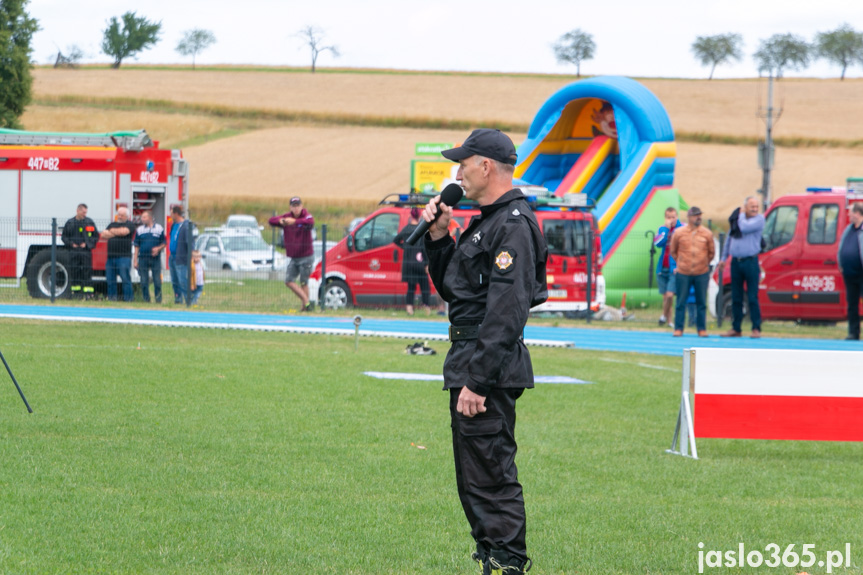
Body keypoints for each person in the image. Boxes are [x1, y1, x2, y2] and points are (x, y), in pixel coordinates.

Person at [423, 129, 547, 575]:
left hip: (485, 367)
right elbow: (459, 293)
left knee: (491, 476)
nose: (457, 173)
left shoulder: (513, 223)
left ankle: (509, 562)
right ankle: (493, 558)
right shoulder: (489, 221)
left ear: (485, 167)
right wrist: (438, 237)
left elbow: (506, 311)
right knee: (475, 478)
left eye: (463, 163)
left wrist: (478, 380)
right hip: (470, 356)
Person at [719, 196, 765, 338]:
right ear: (746, 207)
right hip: (736, 263)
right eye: (752, 206)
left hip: (750, 262)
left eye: (756, 206)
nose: (755, 209)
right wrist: (723, 258)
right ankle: (736, 328)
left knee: (752, 296)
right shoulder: (737, 221)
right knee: (736, 296)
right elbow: (729, 239)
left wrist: (738, 216)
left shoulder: (758, 220)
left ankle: (756, 328)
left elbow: (744, 228)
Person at [669, 206, 714, 337]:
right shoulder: (679, 233)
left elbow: (711, 252)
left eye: (699, 215)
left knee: (701, 302)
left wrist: (703, 263)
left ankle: (701, 329)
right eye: (695, 215)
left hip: (701, 272)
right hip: (683, 271)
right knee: (681, 302)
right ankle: (678, 328)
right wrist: (681, 262)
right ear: (689, 217)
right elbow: (673, 251)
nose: (698, 217)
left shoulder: (707, 233)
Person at [269, 197, 315, 312]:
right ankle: (306, 301)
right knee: (289, 281)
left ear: (301, 206)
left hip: (306, 256)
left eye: (298, 205)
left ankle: (305, 307)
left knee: (304, 282)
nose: (296, 208)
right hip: (294, 257)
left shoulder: (306, 216)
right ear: (290, 207)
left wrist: (295, 221)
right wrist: (280, 221)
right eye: (294, 206)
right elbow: (271, 220)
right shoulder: (287, 218)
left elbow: (310, 222)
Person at [393, 207, 431, 315]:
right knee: (425, 287)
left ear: (410, 216)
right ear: (419, 216)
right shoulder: (422, 230)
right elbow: (425, 247)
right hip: (420, 263)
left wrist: (404, 246)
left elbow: (395, 240)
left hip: (408, 263)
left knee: (410, 287)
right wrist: (427, 263)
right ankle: (426, 308)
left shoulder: (406, 229)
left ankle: (409, 309)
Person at [61, 203, 99, 298]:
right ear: (77, 211)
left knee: (87, 271)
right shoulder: (70, 223)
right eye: (83, 212)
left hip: (85, 251)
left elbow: (96, 236)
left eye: (86, 212)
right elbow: (64, 237)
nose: (84, 214)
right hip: (73, 251)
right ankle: (76, 293)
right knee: (74, 271)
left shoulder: (89, 222)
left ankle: (88, 293)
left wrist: (87, 244)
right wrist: (71, 244)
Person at [838, 202, 863, 340]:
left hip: (861, 273)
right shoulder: (849, 229)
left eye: (851, 212)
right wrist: (841, 263)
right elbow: (841, 246)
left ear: (858, 214)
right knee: (852, 304)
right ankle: (853, 332)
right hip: (849, 273)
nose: (849, 215)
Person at [100, 206, 136, 302]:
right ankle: (112, 299)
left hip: (123, 257)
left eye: (122, 215)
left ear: (127, 216)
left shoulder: (130, 224)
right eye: (118, 214)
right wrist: (117, 232)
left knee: (125, 279)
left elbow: (124, 232)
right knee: (110, 280)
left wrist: (111, 232)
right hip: (111, 257)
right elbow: (103, 234)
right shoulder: (112, 224)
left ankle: (128, 299)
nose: (119, 217)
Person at [654, 207, 680, 326]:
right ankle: (669, 320)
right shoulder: (662, 229)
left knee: (670, 295)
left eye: (673, 217)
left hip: (674, 267)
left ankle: (664, 316)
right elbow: (658, 243)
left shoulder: (681, 229)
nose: (671, 220)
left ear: (677, 217)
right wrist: (666, 230)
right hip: (662, 267)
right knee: (665, 297)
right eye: (669, 217)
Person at [133, 210, 166, 303]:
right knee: (144, 281)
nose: (142, 219)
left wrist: (158, 249)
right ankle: (146, 300)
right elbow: (136, 245)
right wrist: (135, 260)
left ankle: (158, 300)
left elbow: (164, 242)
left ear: (150, 218)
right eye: (142, 217)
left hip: (155, 259)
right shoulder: (139, 230)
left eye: (144, 217)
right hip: (143, 258)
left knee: (157, 281)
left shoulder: (159, 228)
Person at [169, 205, 192, 306]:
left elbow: (190, 243)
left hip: (181, 258)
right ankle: (178, 299)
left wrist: (190, 256)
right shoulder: (174, 225)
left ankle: (188, 300)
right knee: (174, 281)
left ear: (175, 213)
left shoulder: (185, 226)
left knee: (182, 280)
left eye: (171, 213)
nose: (170, 215)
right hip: (172, 257)